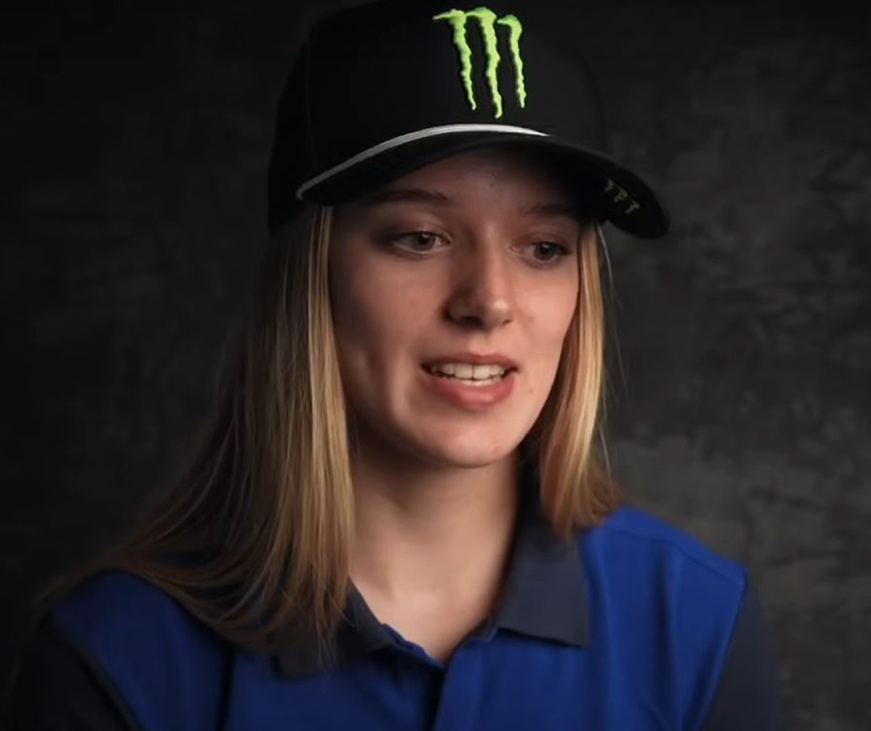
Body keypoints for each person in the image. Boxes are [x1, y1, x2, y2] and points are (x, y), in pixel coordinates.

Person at [1, 1, 784, 729]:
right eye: (420, 237)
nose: (489, 301)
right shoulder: (116, 657)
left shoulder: (695, 623)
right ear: (311, 272)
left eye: (544, 247)